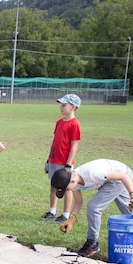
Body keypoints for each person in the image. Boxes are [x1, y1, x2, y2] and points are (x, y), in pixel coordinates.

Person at [51, 159, 133, 257]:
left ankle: (92, 244)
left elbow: (124, 177)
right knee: (130, 212)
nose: (68, 191)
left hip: (121, 176)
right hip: (109, 181)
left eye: (67, 189)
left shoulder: (93, 173)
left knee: (93, 207)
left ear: (72, 180)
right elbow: (78, 202)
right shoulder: (74, 182)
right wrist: (72, 219)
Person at [42, 94, 82, 224]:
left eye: (64, 105)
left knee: (67, 188)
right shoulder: (59, 122)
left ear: (73, 107)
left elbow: (74, 145)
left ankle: (65, 214)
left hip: (65, 162)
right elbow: (55, 141)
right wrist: (49, 159)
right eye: (61, 104)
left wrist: (68, 164)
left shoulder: (74, 124)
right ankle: (52, 211)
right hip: (54, 159)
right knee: (53, 185)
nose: (61, 107)